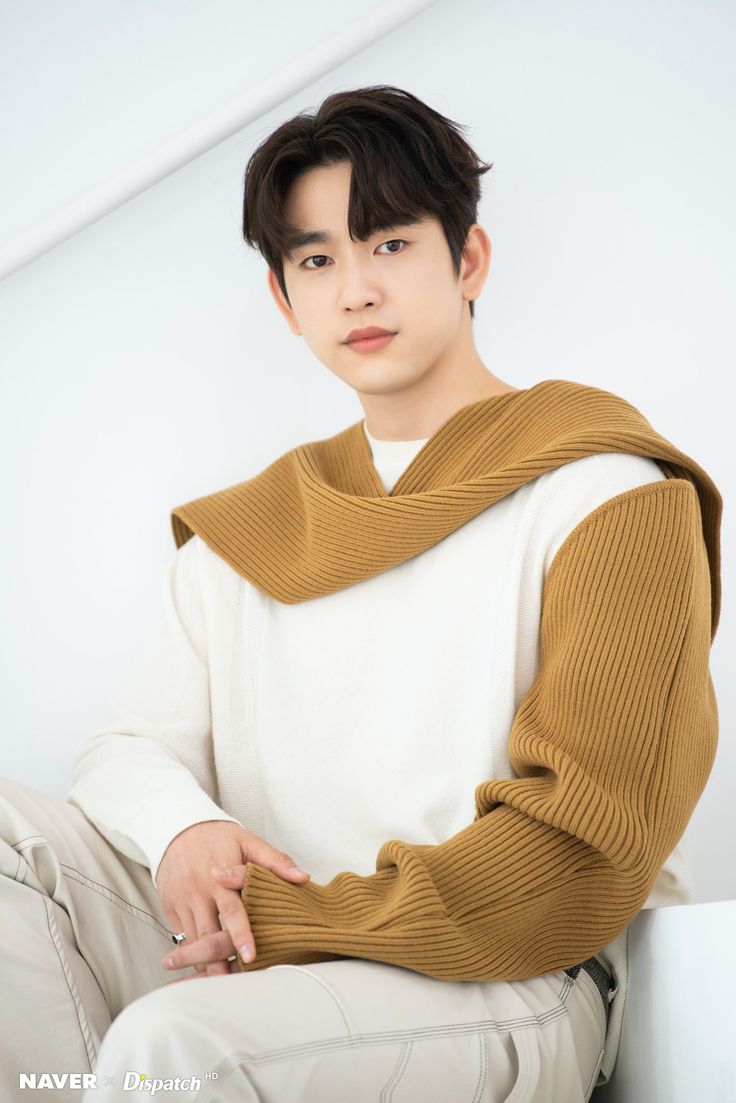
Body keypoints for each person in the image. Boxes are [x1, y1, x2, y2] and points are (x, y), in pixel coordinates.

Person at [0, 85, 721, 1103]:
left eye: (388, 244)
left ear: (467, 260)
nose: (355, 291)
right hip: (257, 945)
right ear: (283, 300)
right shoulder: (248, 531)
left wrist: (288, 926)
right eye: (316, 259)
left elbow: (575, 852)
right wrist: (182, 835)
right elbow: (130, 747)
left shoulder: (607, 494)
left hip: (499, 978)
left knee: (180, 1042)